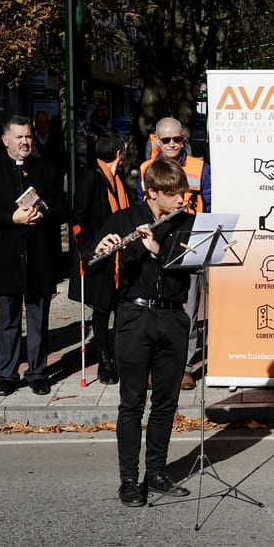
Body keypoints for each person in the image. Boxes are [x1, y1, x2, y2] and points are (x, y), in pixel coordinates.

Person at [92, 159, 196, 507]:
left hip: (173, 317)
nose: (181, 198)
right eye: (173, 193)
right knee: (132, 402)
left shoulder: (188, 224)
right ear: (152, 193)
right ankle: (127, 480)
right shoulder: (124, 220)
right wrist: (102, 253)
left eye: (182, 191)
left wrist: (156, 250)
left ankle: (157, 472)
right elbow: (97, 270)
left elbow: (188, 269)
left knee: (166, 403)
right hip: (134, 316)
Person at [0, 115, 70, 397]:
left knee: (39, 318)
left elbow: (63, 208)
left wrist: (44, 212)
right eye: (20, 137)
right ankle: (7, 373)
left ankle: (37, 372)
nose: (26, 141)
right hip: (5, 253)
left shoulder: (47, 169)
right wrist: (11, 217)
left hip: (40, 254)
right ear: (5, 140)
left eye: (28, 136)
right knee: (8, 319)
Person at [138, 117, 211, 391]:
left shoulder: (200, 168)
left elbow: (210, 203)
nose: (171, 144)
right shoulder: (146, 169)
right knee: (155, 311)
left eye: (176, 139)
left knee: (188, 311)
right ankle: (154, 366)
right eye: (165, 139)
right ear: (156, 140)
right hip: (155, 246)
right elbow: (141, 209)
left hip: (189, 245)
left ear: (184, 139)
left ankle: (184, 368)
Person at [70, 131, 131, 385]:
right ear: (119, 154)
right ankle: (104, 361)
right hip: (100, 256)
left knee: (121, 308)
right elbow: (79, 216)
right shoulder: (91, 178)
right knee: (102, 309)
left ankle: (119, 357)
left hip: (121, 256)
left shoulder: (119, 180)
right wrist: (89, 251)